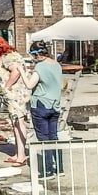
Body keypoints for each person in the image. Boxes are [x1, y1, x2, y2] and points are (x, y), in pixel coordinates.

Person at [0, 37, 32, 166]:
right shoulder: (11, 56)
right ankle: (18, 153)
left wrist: (7, 86)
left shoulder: (8, 57)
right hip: (14, 97)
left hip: (15, 96)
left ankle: (21, 156)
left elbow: (16, 71)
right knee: (15, 124)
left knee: (19, 123)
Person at [28, 45, 65, 176]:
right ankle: (60, 168)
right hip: (55, 105)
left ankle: (48, 170)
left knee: (43, 138)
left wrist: (22, 72)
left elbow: (29, 84)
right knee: (54, 136)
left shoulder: (40, 67)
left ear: (36, 55)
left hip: (41, 104)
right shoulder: (57, 65)